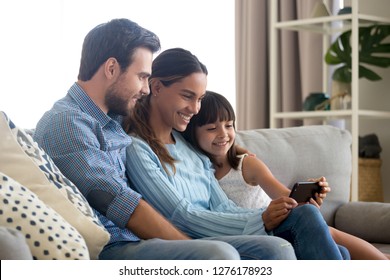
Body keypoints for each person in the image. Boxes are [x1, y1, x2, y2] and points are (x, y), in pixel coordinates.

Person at [33, 18, 247, 260]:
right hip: (112, 247)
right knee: (219, 255)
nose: (146, 89)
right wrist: (192, 247)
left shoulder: (113, 118)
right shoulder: (67, 123)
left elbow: (171, 129)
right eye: (142, 77)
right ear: (112, 68)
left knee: (268, 248)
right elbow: (118, 202)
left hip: (138, 241)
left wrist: (231, 152)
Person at [124, 47, 350, 260]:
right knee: (301, 231)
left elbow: (223, 206)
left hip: (228, 230)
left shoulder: (187, 146)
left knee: (331, 242)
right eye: (187, 96)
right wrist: (260, 220)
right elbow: (182, 216)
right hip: (199, 239)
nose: (195, 109)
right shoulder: (138, 148)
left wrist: (271, 213)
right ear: (156, 88)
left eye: (200, 99)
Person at [182, 90, 389, 260]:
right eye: (211, 128)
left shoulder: (247, 164)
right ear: (192, 133)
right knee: (335, 246)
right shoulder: (198, 173)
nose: (223, 134)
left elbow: (284, 194)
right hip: (256, 236)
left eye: (229, 126)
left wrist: (306, 197)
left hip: (279, 225)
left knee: (326, 234)